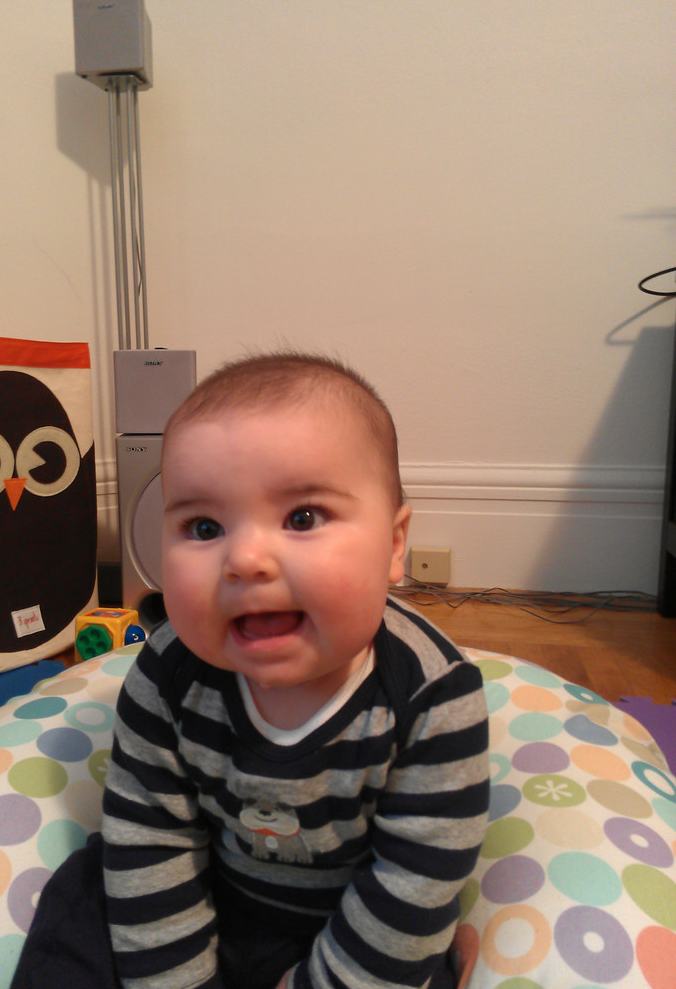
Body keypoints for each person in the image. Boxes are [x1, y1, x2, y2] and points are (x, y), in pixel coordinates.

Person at [101, 352, 490, 989]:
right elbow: (149, 841)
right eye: (204, 526)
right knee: (79, 907)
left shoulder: (433, 696)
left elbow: (412, 883)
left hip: (361, 930)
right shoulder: (165, 678)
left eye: (302, 518)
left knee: (415, 952)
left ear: (394, 546)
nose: (246, 559)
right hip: (215, 910)